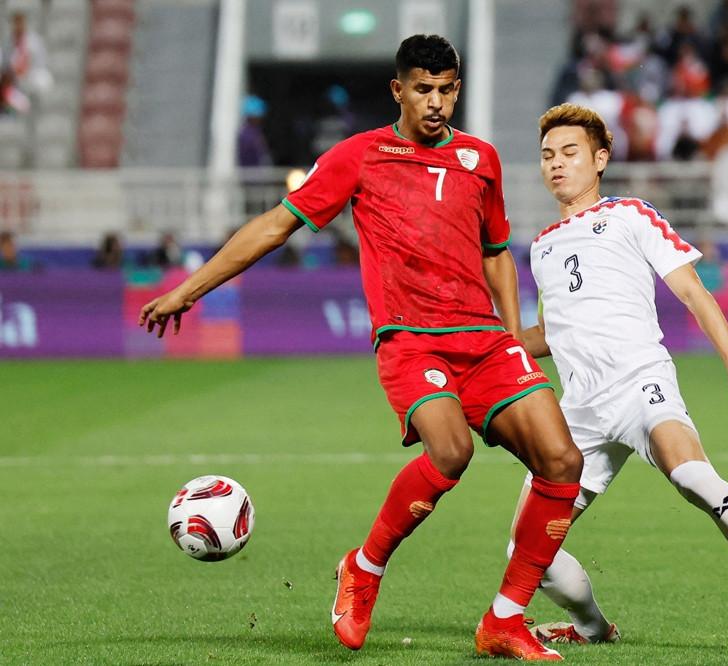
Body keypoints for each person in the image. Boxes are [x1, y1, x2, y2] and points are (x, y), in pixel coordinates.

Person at [138, 34, 582, 661]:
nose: (436, 102)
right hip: (410, 340)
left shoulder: (481, 159)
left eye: (447, 89)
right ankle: (364, 568)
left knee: (562, 462)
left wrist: (512, 335)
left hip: (483, 341)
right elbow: (274, 225)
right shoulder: (359, 156)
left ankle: (504, 622)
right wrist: (189, 288)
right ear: (398, 90)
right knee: (450, 451)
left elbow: (495, 253)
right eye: (423, 90)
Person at [509, 103, 728, 646]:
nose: (556, 165)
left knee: (692, 477)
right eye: (547, 156)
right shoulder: (541, 247)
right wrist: (482, 345)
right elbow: (549, 334)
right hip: (579, 411)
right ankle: (592, 628)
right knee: (526, 549)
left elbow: (692, 292)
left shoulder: (633, 215)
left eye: (569, 153)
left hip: (641, 383)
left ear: (600, 159)